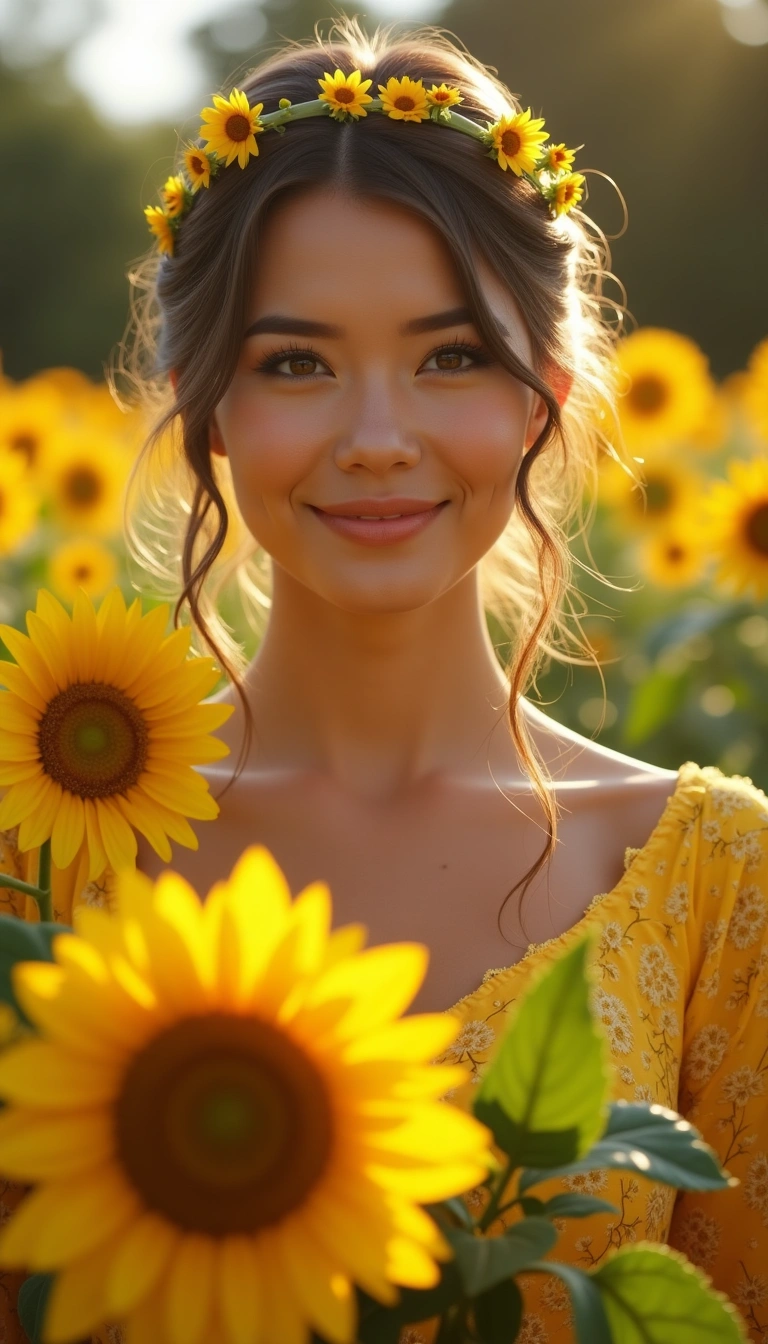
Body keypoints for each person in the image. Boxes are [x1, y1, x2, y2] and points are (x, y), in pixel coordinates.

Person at [1, 18, 767, 1344]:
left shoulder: (714, 886)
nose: (374, 438)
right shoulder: (49, 852)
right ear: (205, 404)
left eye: (451, 355)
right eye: (296, 362)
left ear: (542, 395)